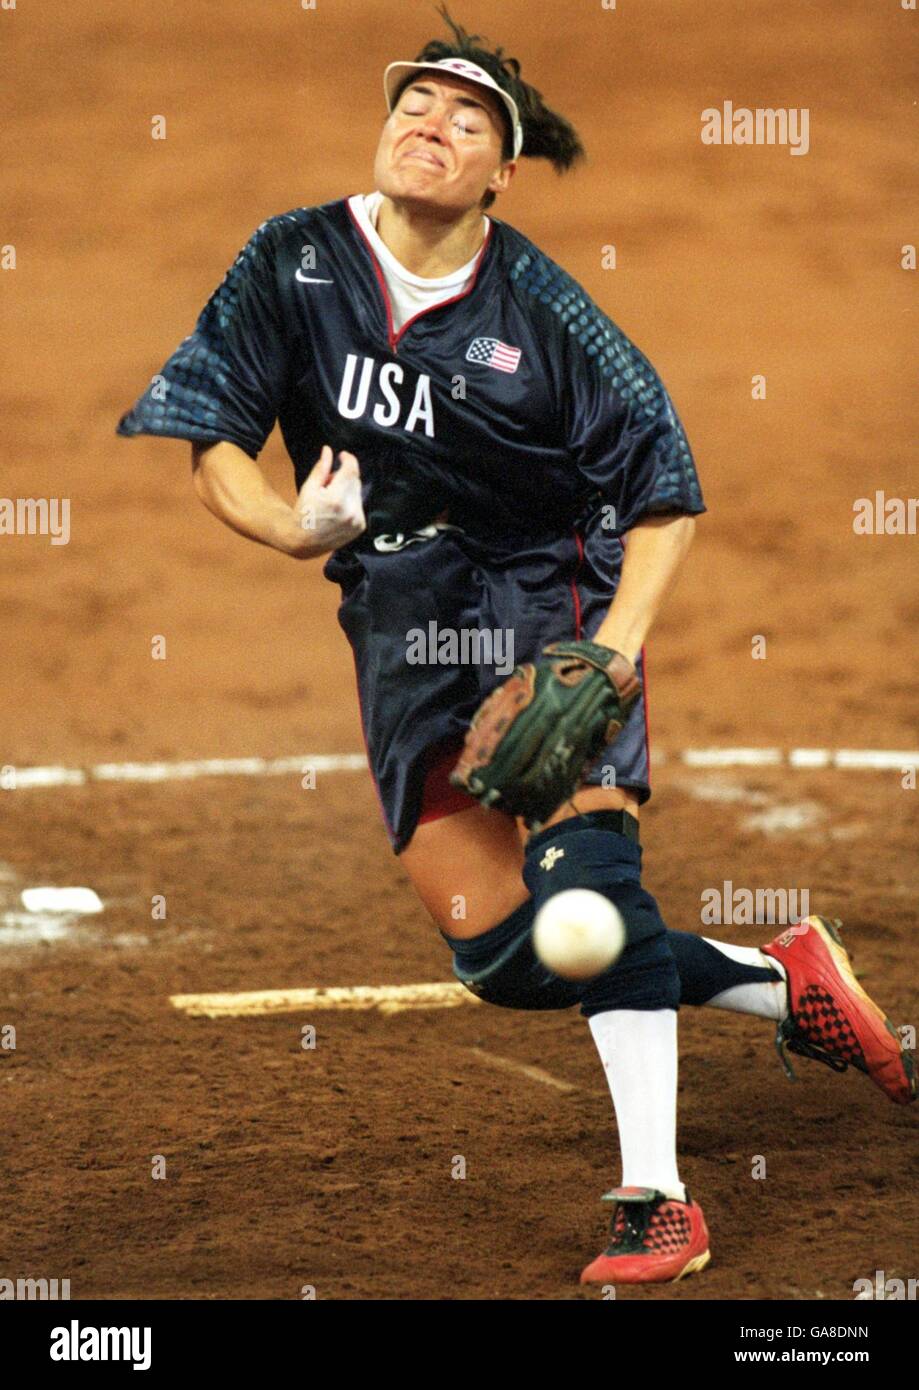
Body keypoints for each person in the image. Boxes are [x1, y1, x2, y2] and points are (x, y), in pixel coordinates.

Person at [117, 8, 915, 1286]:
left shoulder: (547, 315)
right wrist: (286, 526)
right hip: (397, 614)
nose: (429, 127)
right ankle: (782, 982)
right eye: (413, 107)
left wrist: (607, 655)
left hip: (549, 588)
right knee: (503, 951)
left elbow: (665, 493)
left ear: (502, 168)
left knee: (590, 884)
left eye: (465, 118)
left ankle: (657, 1199)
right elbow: (208, 430)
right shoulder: (293, 259)